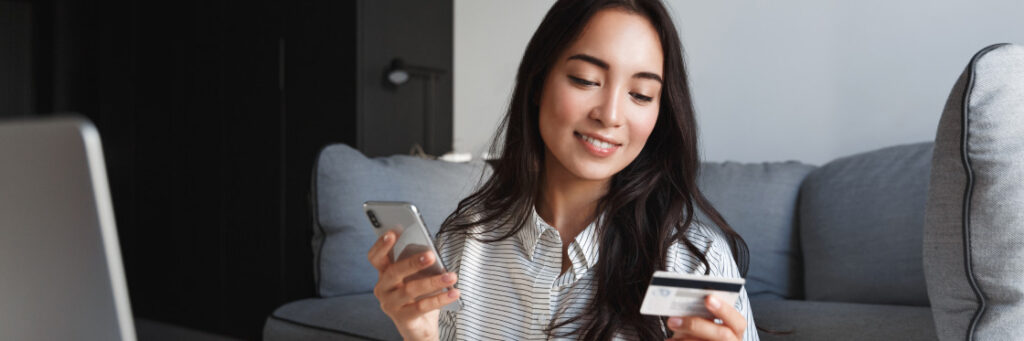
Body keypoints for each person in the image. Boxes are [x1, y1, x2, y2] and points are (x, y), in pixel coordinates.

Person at [367, 0, 757, 340]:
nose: (610, 114)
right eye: (586, 80)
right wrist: (419, 336)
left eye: (640, 94)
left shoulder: (697, 260)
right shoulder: (463, 243)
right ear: (538, 83)